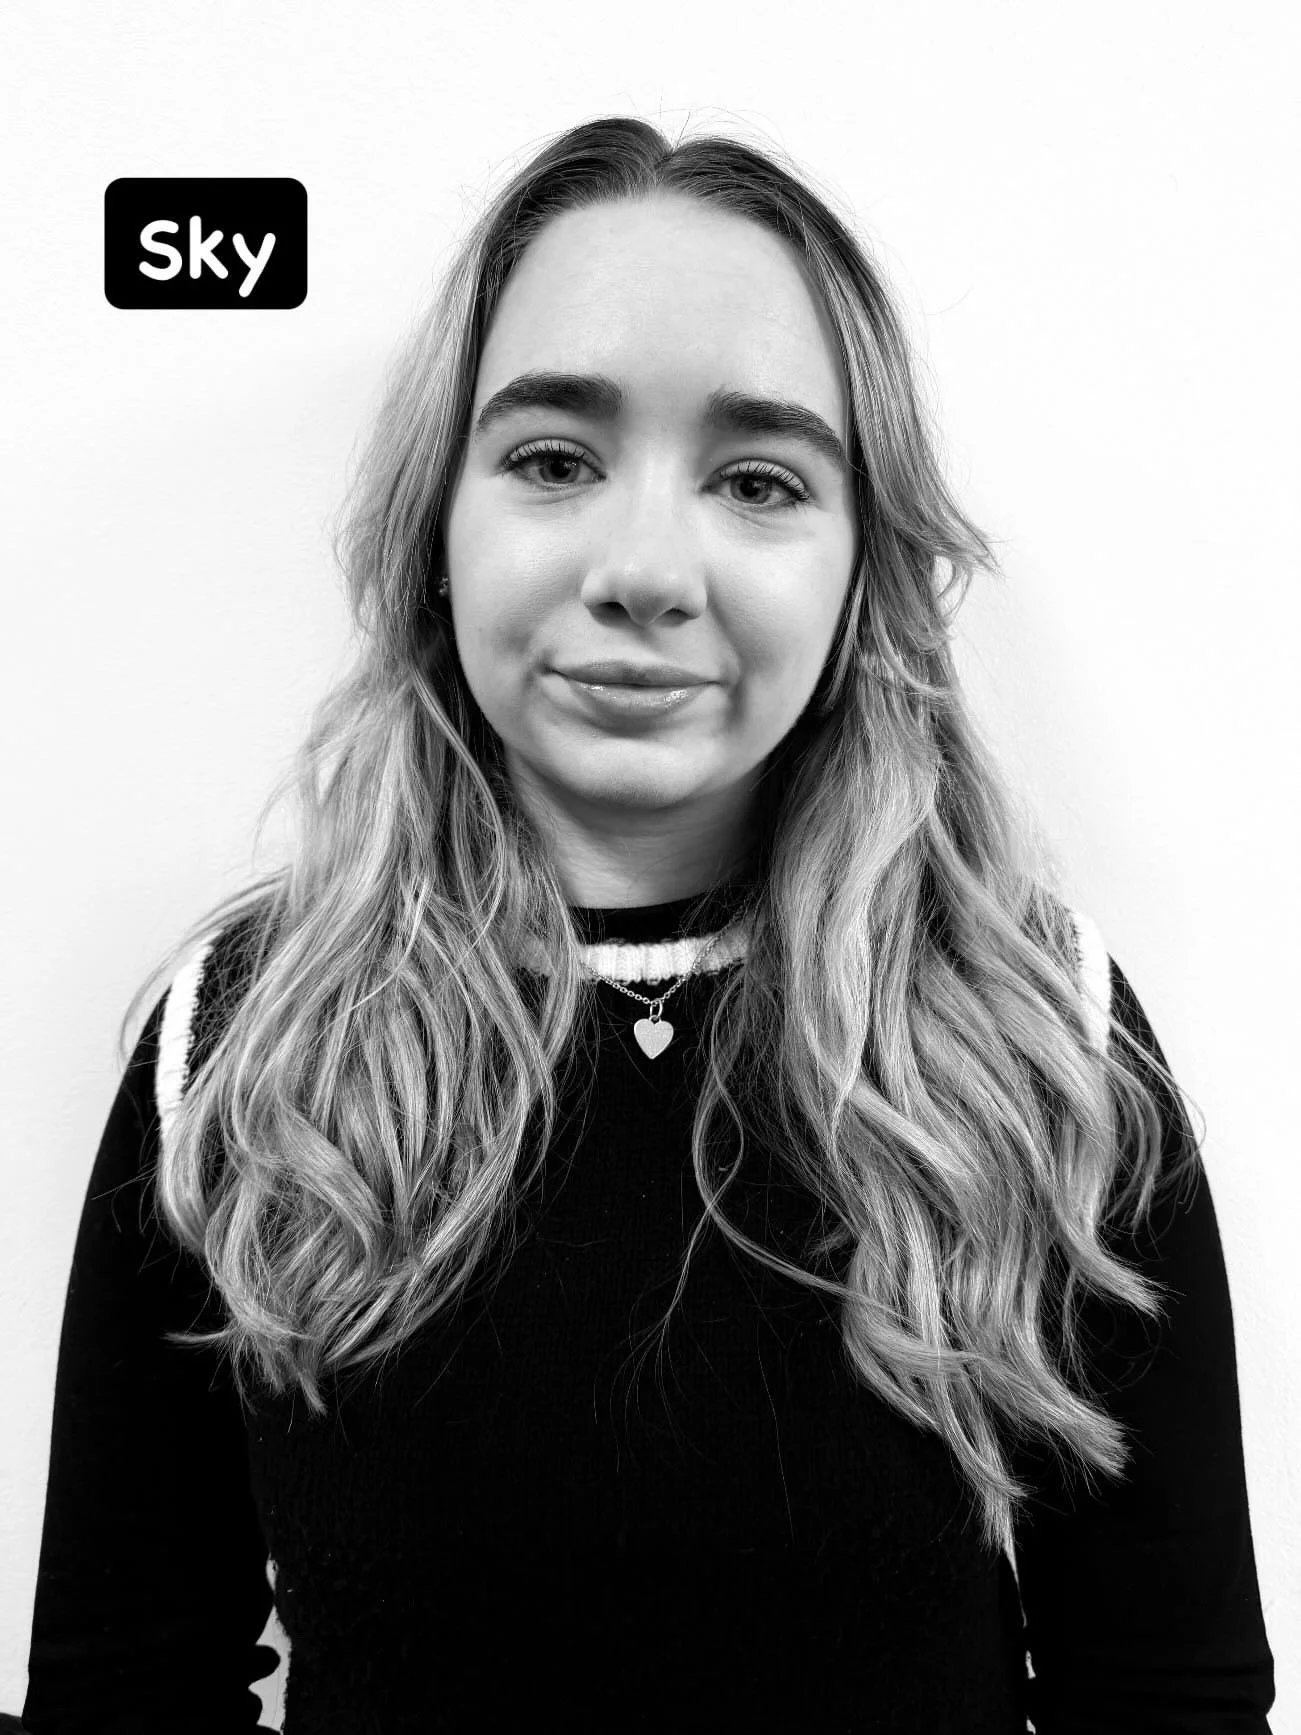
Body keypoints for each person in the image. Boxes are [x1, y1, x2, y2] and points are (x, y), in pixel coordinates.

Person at [22, 116, 1275, 1734]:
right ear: (437, 516)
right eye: (555, 459)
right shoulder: (239, 1041)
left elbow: (1166, 1697)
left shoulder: (1043, 1036)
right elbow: (127, 1688)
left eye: (758, 481)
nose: (644, 569)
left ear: (861, 563)